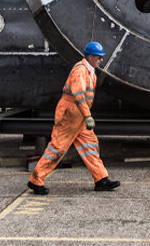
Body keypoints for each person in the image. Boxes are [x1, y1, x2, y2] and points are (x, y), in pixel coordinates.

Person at [27, 41, 120, 195]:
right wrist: (88, 116)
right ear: (90, 56)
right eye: (98, 57)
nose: (101, 60)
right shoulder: (80, 71)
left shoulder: (90, 72)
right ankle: (35, 181)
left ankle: (101, 179)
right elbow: (78, 96)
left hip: (79, 116)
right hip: (70, 114)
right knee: (57, 148)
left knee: (90, 146)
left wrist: (85, 116)